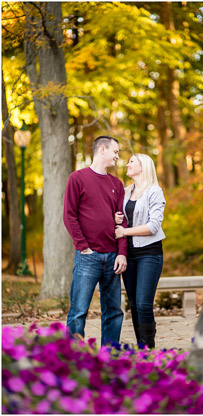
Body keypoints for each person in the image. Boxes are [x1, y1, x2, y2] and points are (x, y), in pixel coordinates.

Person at [63, 135, 128, 345]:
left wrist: (121, 252)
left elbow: (122, 222)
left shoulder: (116, 183)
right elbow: (69, 215)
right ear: (102, 149)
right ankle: (74, 359)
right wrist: (83, 247)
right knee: (78, 311)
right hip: (88, 257)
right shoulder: (77, 178)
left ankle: (109, 358)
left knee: (114, 312)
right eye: (115, 152)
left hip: (112, 257)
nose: (118, 157)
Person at [114, 153, 166, 349]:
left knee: (144, 304)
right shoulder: (126, 192)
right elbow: (122, 219)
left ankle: (149, 350)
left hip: (149, 254)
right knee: (134, 304)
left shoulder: (154, 191)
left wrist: (124, 231)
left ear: (143, 167)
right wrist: (117, 219)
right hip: (130, 254)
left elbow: (153, 226)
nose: (127, 164)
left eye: (131, 162)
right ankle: (141, 348)